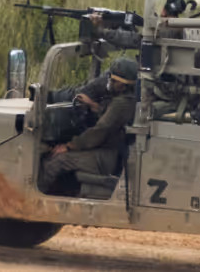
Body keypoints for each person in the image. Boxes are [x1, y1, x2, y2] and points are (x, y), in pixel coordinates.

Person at [39, 57, 138, 195]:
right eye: (110, 79)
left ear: (124, 85)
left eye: (115, 81)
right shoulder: (127, 100)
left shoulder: (121, 103)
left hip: (107, 156)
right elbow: (112, 120)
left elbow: (99, 132)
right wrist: (94, 106)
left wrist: (69, 146)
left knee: (55, 161)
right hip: (112, 152)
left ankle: (32, 200)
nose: (110, 83)